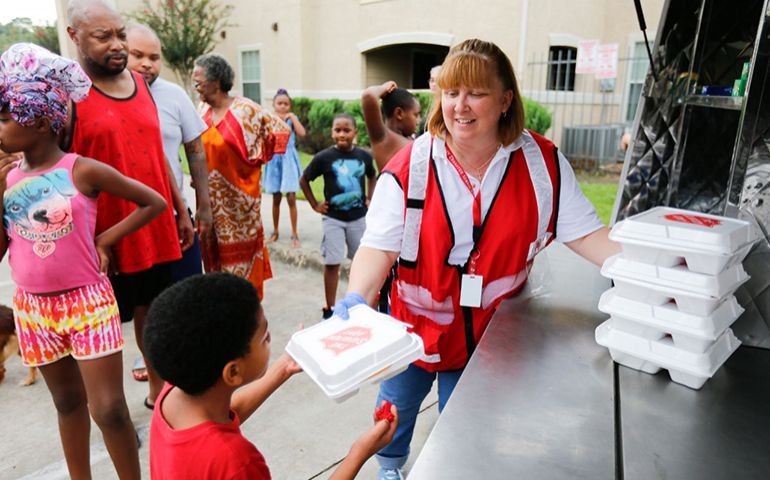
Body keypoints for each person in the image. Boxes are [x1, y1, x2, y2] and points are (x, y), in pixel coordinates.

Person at [334, 39, 621, 480]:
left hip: (484, 345)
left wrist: (661, 281)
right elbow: (378, 247)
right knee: (392, 415)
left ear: (506, 99)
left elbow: (591, 239)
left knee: (463, 435)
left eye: (476, 93)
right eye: (451, 93)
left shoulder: (542, 167)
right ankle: (389, 471)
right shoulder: (412, 166)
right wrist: (357, 296)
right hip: (410, 335)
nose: (459, 106)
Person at [0, 43, 169, 480]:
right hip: (35, 308)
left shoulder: (83, 170)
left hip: (87, 302)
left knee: (110, 408)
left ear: (38, 121)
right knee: (66, 403)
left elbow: (152, 202)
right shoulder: (9, 177)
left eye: (4, 118)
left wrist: (105, 239)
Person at [63, 0, 194, 410]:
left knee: (151, 315)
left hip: (153, 225)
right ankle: (111, 409)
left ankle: (158, 395)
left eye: (120, 34)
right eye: (104, 37)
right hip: (101, 237)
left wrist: (180, 209)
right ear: (75, 36)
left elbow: (156, 154)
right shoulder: (69, 96)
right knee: (102, 329)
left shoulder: (140, 85)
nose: (117, 45)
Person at [144, 272, 399, 479]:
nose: (270, 339)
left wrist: (284, 367)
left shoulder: (171, 396)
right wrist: (358, 453)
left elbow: (228, 413)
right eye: (265, 337)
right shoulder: (236, 462)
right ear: (233, 372)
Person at [126, 22, 213, 382]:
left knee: (189, 293)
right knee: (145, 303)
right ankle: (154, 369)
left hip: (174, 214)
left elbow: (195, 151)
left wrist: (203, 207)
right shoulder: (98, 96)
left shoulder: (173, 96)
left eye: (154, 57)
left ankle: (190, 364)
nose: (147, 64)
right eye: (138, 55)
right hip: (129, 222)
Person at [193, 53, 285, 299]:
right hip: (210, 205)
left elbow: (278, 132)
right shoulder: (201, 110)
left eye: (198, 81)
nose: (196, 87)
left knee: (242, 277)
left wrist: (254, 162)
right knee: (215, 269)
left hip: (241, 207)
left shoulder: (246, 110)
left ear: (216, 81)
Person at [299, 113, 376, 319]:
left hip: (358, 218)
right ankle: (330, 308)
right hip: (333, 219)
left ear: (355, 132)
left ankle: (358, 303)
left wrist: (370, 198)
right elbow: (304, 180)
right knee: (332, 263)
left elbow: (372, 175)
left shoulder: (364, 156)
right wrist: (315, 204)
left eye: (346, 130)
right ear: (332, 132)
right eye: (338, 130)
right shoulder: (324, 157)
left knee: (360, 262)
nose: (342, 134)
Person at [263, 89, 306, 248]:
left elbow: (302, 133)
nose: (283, 106)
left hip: (288, 160)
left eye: (286, 104)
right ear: (274, 104)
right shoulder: (270, 118)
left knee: (291, 197)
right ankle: (275, 231)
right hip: (274, 160)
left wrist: (293, 118)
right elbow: (264, 137)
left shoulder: (291, 119)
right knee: (276, 198)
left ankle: (294, 234)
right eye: (279, 103)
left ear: (290, 105)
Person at [361, 81, 421, 171]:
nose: (418, 121)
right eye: (415, 115)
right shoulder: (383, 138)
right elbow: (368, 96)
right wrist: (385, 87)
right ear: (399, 113)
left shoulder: (411, 138)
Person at [417, 65, 441, 136]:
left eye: (437, 80)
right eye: (432, 80)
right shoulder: (431, 102)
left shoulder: (446, 104)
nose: (434, 84)